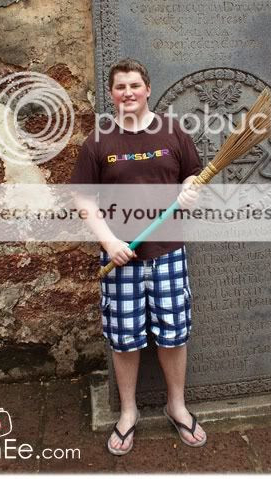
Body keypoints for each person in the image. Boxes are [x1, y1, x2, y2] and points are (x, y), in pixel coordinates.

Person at [70, 58, 207, 455]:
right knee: (125, 339)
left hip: (168, 253)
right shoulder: (99, 141)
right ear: (111, 94)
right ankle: (128, 412)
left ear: (147, 89)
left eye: (134, 85)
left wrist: (191, 189)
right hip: (121, 258)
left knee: (174, 333)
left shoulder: (173, 131)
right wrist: (109, 243)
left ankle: (176, 406)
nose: (127, 92)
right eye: (120, 87)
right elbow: (83, 199)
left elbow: (191, 173)